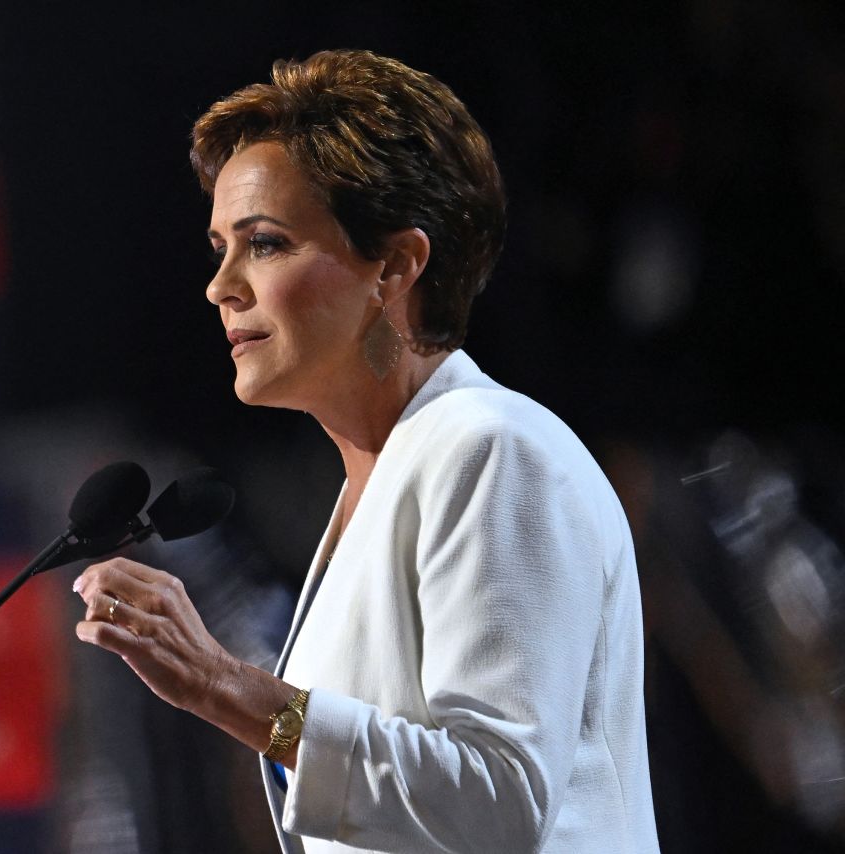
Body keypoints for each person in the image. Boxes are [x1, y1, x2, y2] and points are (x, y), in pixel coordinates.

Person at [71, 49, 659, 853]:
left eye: (266, 243)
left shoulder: (491, 450)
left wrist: (223, 685)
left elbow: (500, 801)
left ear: (395, 265)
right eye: (221, 249)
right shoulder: (383, 482)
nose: (222, 286)